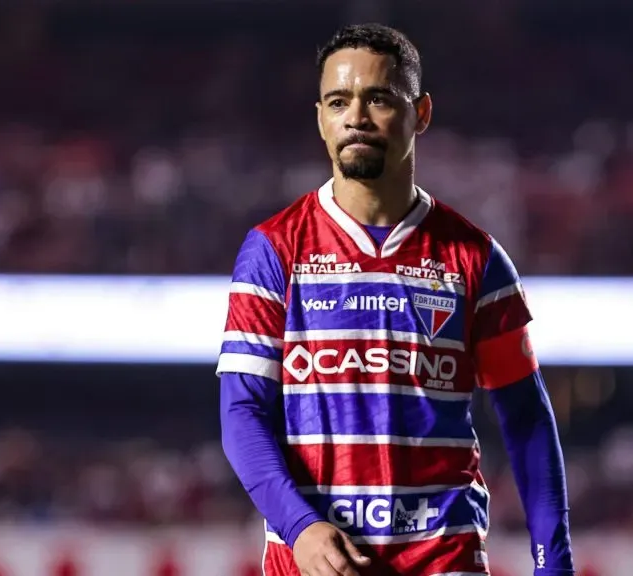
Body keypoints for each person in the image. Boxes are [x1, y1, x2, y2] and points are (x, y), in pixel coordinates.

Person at [218, 23, 574, 576]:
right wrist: (300, 526)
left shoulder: (477, 259)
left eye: (378, 98)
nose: (355, 116)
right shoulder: (273, 250)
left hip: (443, 558)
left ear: (421, 113)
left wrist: (555, 564)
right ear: (320, 119)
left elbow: (526, 418)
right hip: (313, 561)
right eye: (339, 101)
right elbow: (242, 412)